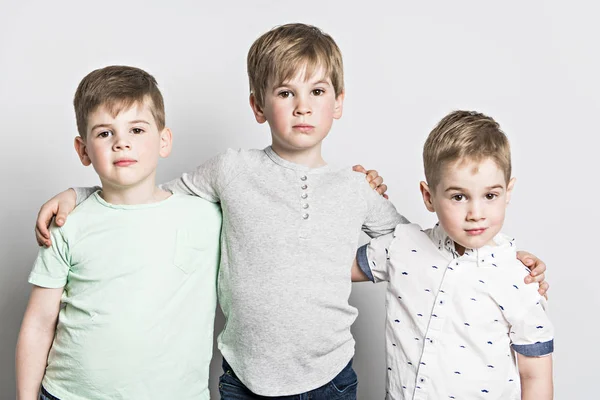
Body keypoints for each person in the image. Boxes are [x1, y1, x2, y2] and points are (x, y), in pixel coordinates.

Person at [32, 25, 547, 399]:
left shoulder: (354, 188)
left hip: (330, 377)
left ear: (338, 102)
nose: (302, 105)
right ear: (258, 106)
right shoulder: (229, 170)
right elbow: (142, 194)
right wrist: (79, 196)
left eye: (317, 91)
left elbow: (427, 246)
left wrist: (499, 257)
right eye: (286, 92)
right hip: (244, 377)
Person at [16, 66, 222, 400]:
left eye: (137, 129)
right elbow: (39, 323)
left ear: (164, 140)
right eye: (104, 134)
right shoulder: (69, 222)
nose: (122, 143)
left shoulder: (206, 217)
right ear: (83, 150)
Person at [353, 110, 553, 399]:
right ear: (428, 196)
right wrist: (346, 199)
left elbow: (534, 375)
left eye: (490, 196)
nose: (476, 214)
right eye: (459, 196)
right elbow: (328, 266)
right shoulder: (401, 247)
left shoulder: (520, 280)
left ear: (507, 193)